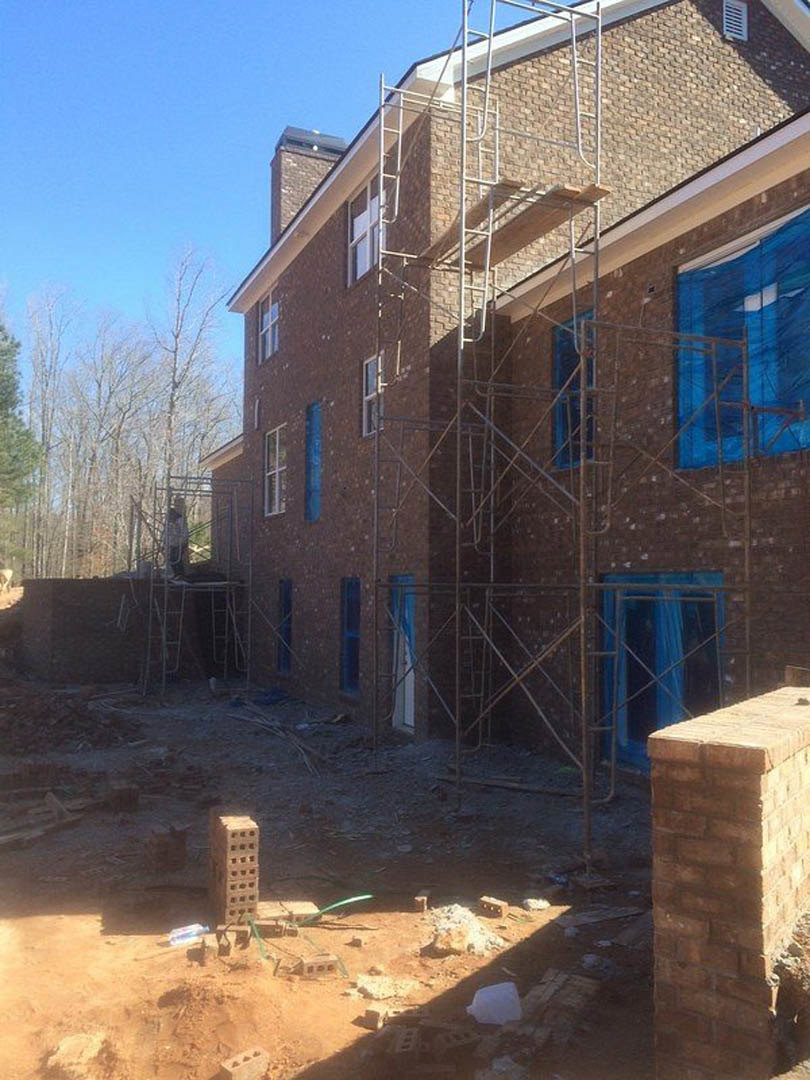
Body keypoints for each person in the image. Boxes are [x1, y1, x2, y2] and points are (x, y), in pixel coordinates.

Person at [165, 507, 189, 579]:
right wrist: (166, 542)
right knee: (172, 559)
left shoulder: (180, 521)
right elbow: (167, 533)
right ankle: (177, 574)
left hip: (180, 543)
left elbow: (184, 533)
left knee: (177, 559)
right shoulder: (170, 522)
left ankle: (180, 574)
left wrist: (182, 542)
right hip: (173, 543)